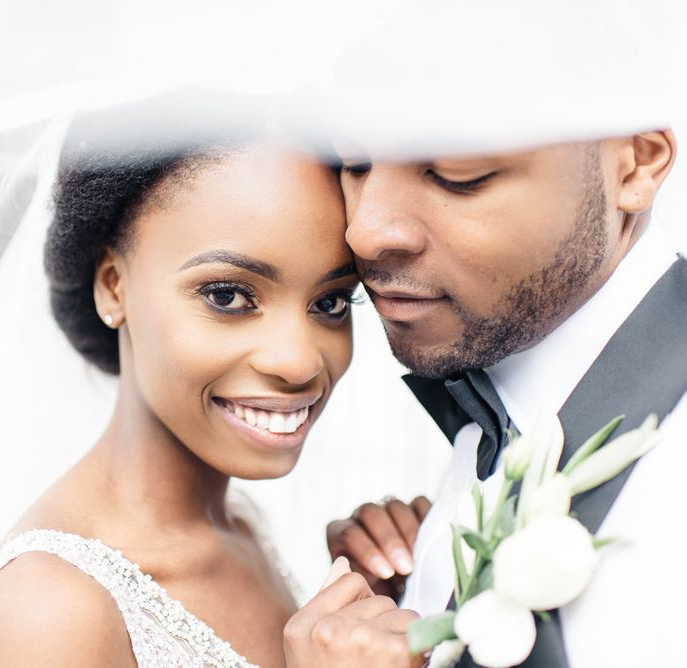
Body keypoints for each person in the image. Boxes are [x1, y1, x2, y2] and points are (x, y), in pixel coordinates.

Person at [0, 98, 423, 668]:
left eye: (329, 302)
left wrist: (385, 607)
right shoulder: (47, 611)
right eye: (227, 296)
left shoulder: (241, 526)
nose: (299, 362)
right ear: (112, 286)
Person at [288, 1, 687, 666]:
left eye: (455, 174)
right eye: (353, 165)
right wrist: (419, 589)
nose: (365, 230)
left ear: (636, 165)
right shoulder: (494, 398)